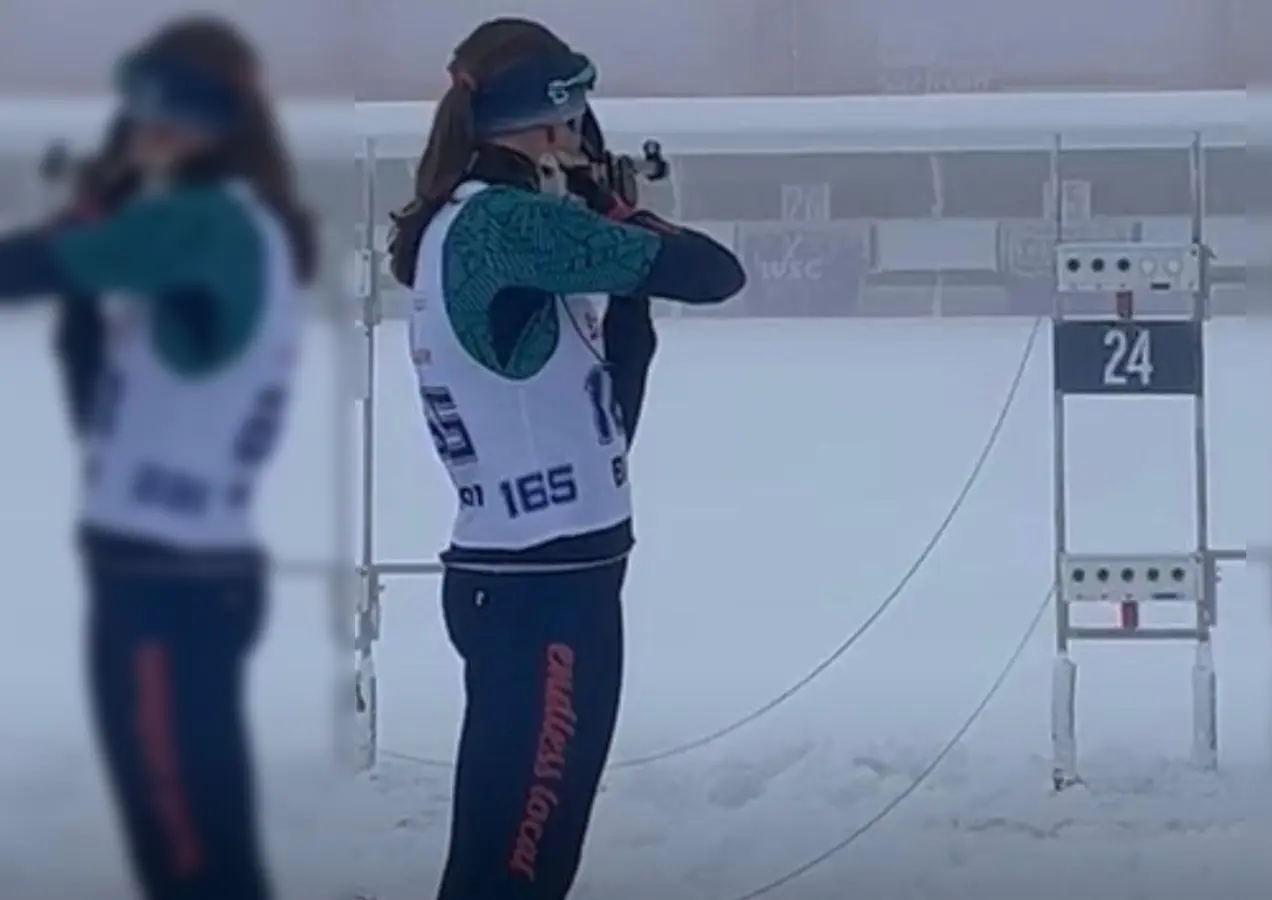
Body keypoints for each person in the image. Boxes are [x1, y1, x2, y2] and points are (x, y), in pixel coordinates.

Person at [387, 16, 745, 900]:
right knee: (515, 870)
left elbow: (605, 421)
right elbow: (712, 271)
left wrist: (622, 283)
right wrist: (619, 216)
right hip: (540, 589)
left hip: (545, 575)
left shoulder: (470, 222)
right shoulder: (508, 226)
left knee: (513, 860)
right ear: (550, 128)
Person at [0, 17, 318, 900]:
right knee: (201, 847)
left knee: (187, 859)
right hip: (185, 563)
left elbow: (27, 268)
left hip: (163, 579)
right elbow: (94, 367)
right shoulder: (236, 221)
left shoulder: (198, 221)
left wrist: (92, 219)